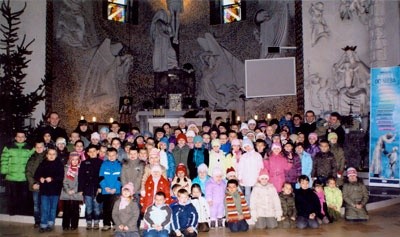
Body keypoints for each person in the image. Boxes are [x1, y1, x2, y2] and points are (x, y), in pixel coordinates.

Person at [1, 131, 34, 215]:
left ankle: (22, 211)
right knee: (12, 195)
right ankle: (12, 211)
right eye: (18, 136)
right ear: (15, 138)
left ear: (25, 138)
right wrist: (4, 171)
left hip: (24, 176)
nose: (20, 138)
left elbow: (32, 161)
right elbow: (4, 159)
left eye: (22, 136)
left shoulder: (29, 148)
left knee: (23, 196)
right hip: (11, 176)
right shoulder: (8, 147)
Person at [34, 147, 64, 233]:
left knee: (53, 208)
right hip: (44, 190)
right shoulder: (43, 163)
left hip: (55, 190)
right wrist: (40, 178)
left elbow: (60, 177)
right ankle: (43, 224)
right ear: (46, 155)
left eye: (53, 154)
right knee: (44, 208)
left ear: (56, 155)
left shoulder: (59, 164)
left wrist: (52, 178)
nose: (51, 156)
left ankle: (51, 224)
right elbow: (36, 174)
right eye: (49, 154)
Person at [78, 144, 103, 230]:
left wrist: (100, 187)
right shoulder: (84, 163)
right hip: (87, 189)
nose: (92, 153)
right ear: (88, 153)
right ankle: (88, 222)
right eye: (90, 152)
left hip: (97, 189)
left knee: (97, 207)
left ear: (98, 152)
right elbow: (81, 177)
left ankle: (96, 222)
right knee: (88, 207)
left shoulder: (101, 163)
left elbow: (102, 177)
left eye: (94, 151)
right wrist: (81, 189)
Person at [99, 147, 122, 231]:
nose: (111, 157)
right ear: (107, 156)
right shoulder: (104, 164)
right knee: (106, 208)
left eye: (113, 155)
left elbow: (120, 178)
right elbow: (101, 177)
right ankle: (106, 224)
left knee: (115, 208)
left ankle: (115, 224)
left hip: (116, 191)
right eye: (109, 155)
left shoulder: (120, 164)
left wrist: (115, 188)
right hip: (106, 190)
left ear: (117, 155)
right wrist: (105, 187)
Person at [60, 152, 83, 231]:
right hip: (66, 191)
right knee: (66, 209)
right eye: (73, 160)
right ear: (70, 160)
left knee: (75, 209)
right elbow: (64, 180)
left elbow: (80, 181)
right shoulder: (66, 168)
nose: (75, 161)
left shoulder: (80, 169)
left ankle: (74, 225)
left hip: (77, 191)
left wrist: (74, 190)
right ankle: (65, 225)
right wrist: (68, 189)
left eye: (77, 160)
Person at [25, 141, 46, 228]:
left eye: (41, 147)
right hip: (34, 186)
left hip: (45, 186)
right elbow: (28, 172)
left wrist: (43, 183)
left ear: (44, 147)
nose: (39, 149)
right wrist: (33, 183)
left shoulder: (47, 157)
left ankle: (44, 221)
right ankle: (37, 221)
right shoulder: (31, 158)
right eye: (37, 147)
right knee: (36, 205)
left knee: (44, 205)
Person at [237, 138, 264, 204]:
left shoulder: (257, 155)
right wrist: (240, 177)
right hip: (246, 177)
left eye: (248, 146)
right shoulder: (243, 156)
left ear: (251, 145)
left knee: (256, 193)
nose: (247, 148)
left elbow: (260, 167)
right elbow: (240, 167)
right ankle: (248, 207)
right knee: (247, 194)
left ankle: (256, 207)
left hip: (255, 177)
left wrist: (259, 177)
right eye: (245, 147)